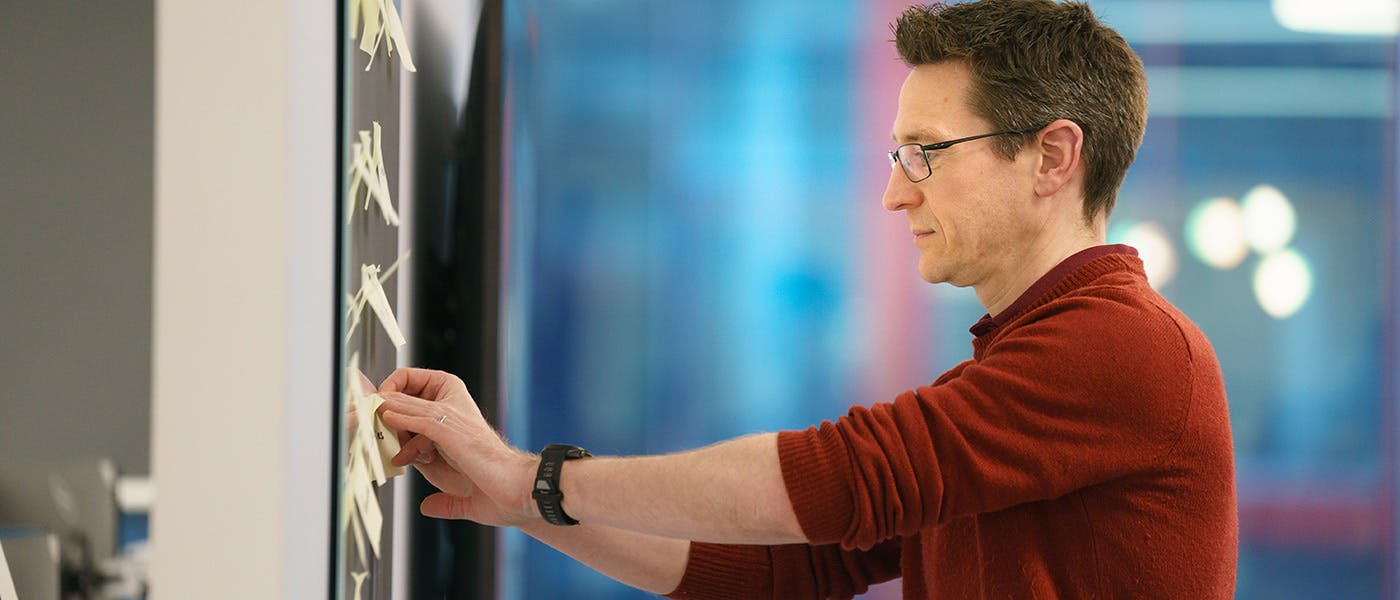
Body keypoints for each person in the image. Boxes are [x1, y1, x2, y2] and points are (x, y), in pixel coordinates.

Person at [375, 1, 1239, 597]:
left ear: (1053, 157)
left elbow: (846, 480)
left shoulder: (1129, 347)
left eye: (925, 152)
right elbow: (791, 569)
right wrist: (525, 501)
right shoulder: (1024, 358)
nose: (897, 195)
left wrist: (537, 477)